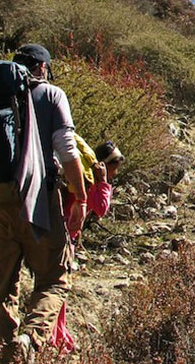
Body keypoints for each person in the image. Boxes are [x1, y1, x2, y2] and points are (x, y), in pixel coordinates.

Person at [0, 44, 86, 360]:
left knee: (4, 289)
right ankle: (30, 339)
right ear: (42, 68)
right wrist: (79, 197)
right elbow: (67, 149)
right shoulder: (51, 95)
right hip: (38, 200)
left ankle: (1, 353)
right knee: (54, 280)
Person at [50, 139, 124, 353]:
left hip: (63, 235)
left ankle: (60, 333)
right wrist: (103, 182)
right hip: (62, 238)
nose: (116, 173)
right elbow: (101, 207)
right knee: (57, 286)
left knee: (59, 286)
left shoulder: (81, 178)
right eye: (114, 168)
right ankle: (54, 336)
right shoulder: (89, 182)